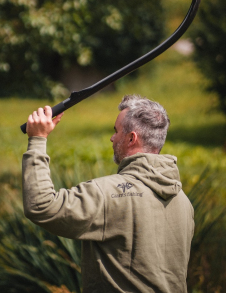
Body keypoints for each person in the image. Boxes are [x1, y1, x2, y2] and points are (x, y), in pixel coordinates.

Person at [22, 94, 194, 293]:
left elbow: (41, 205)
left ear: (131, 138)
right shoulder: (183, 202)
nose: (112, 138)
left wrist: (38, 139)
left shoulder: (107, 194)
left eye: (116, 131)